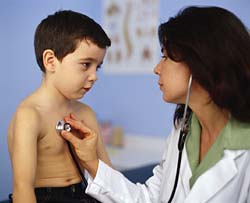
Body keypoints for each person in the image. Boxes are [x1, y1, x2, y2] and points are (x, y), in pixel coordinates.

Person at [60, 6, 250, 203]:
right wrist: (92, 162)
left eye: (165, 57)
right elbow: (151, 199)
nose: (157, 69)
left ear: (201, 63)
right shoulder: (183, 131)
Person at [8, 10, 112, 203]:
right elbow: (22, 188)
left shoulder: (85, 113)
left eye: (97, 67)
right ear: (50, 61)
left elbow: (108, 173)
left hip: (84, 194)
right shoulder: (30, 115)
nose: (94, 76)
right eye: (85, 64)